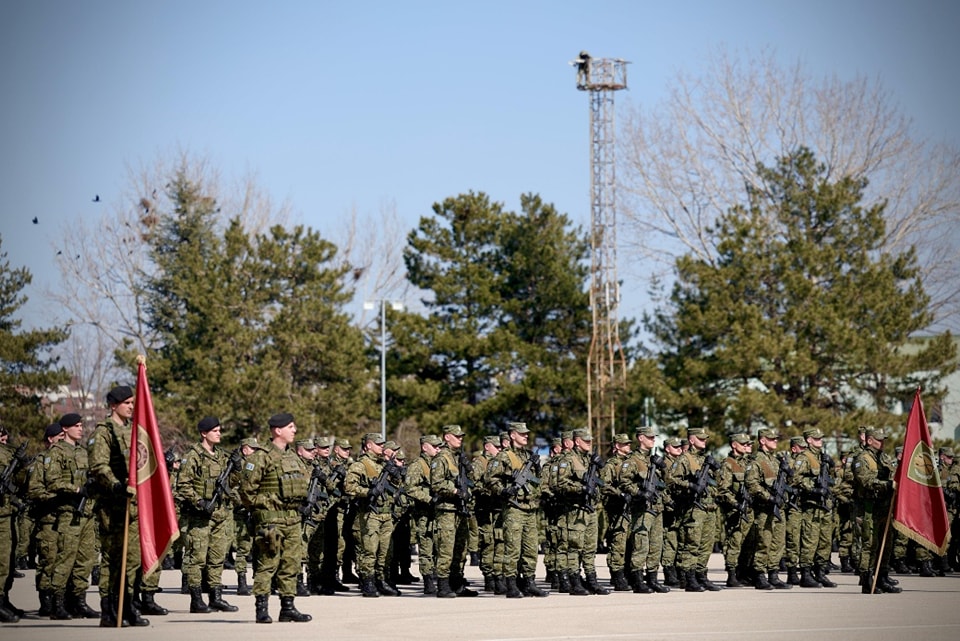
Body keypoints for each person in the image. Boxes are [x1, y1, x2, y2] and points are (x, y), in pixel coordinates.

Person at [238, 413, 312, 623]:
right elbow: (246, 491)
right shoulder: (260, 456)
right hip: (271, 520)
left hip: (292, 520)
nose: (295, 430)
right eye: (290, 426)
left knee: (291, 565)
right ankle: (261, 608)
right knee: (267, 565)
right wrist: (264, 506)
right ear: (277, 430)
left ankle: (287, 607)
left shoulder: (293, 457)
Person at [88, 385, 151, 627]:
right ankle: (108, 609)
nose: (131, 406)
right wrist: (115, 486)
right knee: (113, 559)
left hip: (133, 506)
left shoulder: (133, 430)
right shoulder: (104, 431)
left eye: (133, 402)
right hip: (113, 506)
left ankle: (128, 606)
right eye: (126, 402)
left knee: (132, 560)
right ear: (113, 405)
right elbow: (99, 466)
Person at [177, 416, 240, 614]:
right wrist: (199, 502)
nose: (219, 433)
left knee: (217, 557)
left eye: (220, 430)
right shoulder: (193, 455)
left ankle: (216, 598)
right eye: (215, 431)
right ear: (204, 433)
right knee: (197, 558)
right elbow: (183, 485)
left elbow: (232, 483)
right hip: (199, 517)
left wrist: (237, 468)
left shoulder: (222, 456)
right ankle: (196, 599)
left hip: (220, 515)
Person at [41, 414, 100, 619]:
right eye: (76, 425)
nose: (81, 428)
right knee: (65, 559)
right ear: (64, 429)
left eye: (81, 425)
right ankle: (58, 603)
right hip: (69, 513)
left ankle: (79, 601)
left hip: (87, 514)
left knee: (85, 561)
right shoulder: (57, 451)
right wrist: (75, 489)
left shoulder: (83, 452)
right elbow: (52, 481)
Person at [485, 422, 548, 598]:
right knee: (513, 548)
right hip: (514, 507)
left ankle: (529, 582)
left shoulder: (528, 456)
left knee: (530, 548)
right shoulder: (504, 457)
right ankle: (511, 584)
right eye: (522, 434)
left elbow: (538, 481)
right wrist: (503, 491)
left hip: (530, 508)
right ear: (512, 435)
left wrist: (536, 467)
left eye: (526, 434)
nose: (525, 436)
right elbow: (490, 479)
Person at [666, 427, 722, 592]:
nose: (704, 441)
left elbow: (718, 482)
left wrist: (717, 468)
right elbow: (670, 479)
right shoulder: (684, 459)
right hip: (694, 508)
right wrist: (689, 485)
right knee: (692, 544)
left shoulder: (706, 459)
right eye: (700, 438)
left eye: (705, 439)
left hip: (709, 507)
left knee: (706, 545)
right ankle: (689, 577)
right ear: (691, 440)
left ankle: (701, 575)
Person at [344, 432, 397, 597]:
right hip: (370, 513)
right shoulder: (360, 465)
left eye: (383, 444)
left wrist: (396, 474)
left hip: (386, 514)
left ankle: (381, 580)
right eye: (378, 444)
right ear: (368, 445)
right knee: (370, 550)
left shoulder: (383, 464)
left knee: (385, 552)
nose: (382, 447)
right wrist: (368, 492)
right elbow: (349, 487)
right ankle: (368, 582)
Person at [429, 425, 478, 598]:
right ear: (447, 437)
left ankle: (457, 583)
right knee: (446, 549)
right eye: (457, 436)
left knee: (461, 549)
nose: (460, 439)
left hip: (461, 510)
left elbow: (473, 481)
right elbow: (436, 483)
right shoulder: (441, 458)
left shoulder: (459, 458)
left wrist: (469, 469)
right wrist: (455, 491)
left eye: (461, 436)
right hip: (447, 510)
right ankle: (443, 585)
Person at [620, 426, 670, 593]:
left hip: (657, 507)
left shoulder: (653, 460)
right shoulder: (632, 460)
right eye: (649, 437)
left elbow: (666, 484)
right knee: (642, 544)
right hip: (642, 508)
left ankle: (652, 578)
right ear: (640, 438)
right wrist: (640, 493)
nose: (653, 440)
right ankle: (637, 579)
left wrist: (663, 467)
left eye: (653, 437)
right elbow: (624, 482)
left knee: (656, 545)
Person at [852, 426, 901, 594]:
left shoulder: (884, 458)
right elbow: (865, 481)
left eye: (883, 440)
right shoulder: (862, 459)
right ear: (869, 440)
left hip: (884, 508)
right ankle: (867, 579)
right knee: (869, 544)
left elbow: (894, 474)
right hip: (869, 508)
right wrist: (888, 485)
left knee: (886, 545)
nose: (882, 443)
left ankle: (882, 577)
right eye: (879, 440)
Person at [26, 422, 67, 617]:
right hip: (48, 519)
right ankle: (46, 601)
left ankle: (62, 600)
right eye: (59, 436)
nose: (62, 440)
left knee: (63, 561)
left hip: (66, 520)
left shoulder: (67, 459)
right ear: (50, 439)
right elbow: (34, 491)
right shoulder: (40, 461)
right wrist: (56, 498)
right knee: (48, 561)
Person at [744, 426, 792, 590]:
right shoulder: (757, 460)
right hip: (764, 508)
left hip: (779, 507)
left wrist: (787, 471)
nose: (776, 441)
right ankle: (759, 574)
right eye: (772, 439)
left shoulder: (776, 460)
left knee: (778, 542)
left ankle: (774, 574)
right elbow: (752, 484)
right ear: (762, 441)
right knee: (764, 541)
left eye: (776, 439)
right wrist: (769, 497)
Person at [793, 427, 838, 588]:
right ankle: (806, 574)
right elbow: (796, 478)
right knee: (810, 540)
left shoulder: (823, 457)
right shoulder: (804, 457)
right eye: (816, 438)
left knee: (825, 540)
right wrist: (812, 488)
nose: (820, 440)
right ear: (809, 440)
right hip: (812, 505)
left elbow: (834, 479)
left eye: (821, 438)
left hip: (825, 506)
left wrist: (832, 466)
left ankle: (820, 572)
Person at [716, 432, 754, 587]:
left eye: (747, 444)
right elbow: (723, 490)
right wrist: (736, 504)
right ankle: (732, 575)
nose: (746, 446)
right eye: (743, 443)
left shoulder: (749, 463)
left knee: (749, 544)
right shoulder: (728, 464)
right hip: (735, 510)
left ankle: (743, 573)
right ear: (734, 445)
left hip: (750, 509)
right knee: (734, 542)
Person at [405, 434, 441, 594]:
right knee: (426, 547)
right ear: (425, 447)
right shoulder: (417, 465)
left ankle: (437, 576)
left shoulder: (438, 464)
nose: (438, 449)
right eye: (435, 446)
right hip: (424, 513)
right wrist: (428, 499)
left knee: (439, 547)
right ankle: (428, 580)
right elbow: (410, 488)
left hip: (439, 512)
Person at [471, 434, 501, 592]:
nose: (500, 449)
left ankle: (499, 575)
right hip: (485, 508)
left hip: (498, 508)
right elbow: (474, 484)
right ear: (488, 446)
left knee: (500, 542)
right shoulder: (479, 462)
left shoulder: (500, 462)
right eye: (497, 447)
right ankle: (489, 577)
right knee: (488, 543)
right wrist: (488, 491)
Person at [231, 437, 258, 596]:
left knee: (259, 547)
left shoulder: (255, 465)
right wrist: (244, 504)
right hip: (241, 512)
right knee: (244, 547)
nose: (255, 452)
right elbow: (232, 488)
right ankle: (242, 581)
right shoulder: (237, 465)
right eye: (252, 449)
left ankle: (258, 579)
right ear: (245, 449)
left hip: (256, 511)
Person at [659, 436, 684, 587]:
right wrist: (668, 502)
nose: (680, 449)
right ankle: (669, 572)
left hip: (678, 505)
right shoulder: (665, 464)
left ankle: (675, 569)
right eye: (676, 447)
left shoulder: (677, 462)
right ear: (667, 449)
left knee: (677, 540)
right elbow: (664, 486)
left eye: (680, 447)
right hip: (669, 506)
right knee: (670, 540)